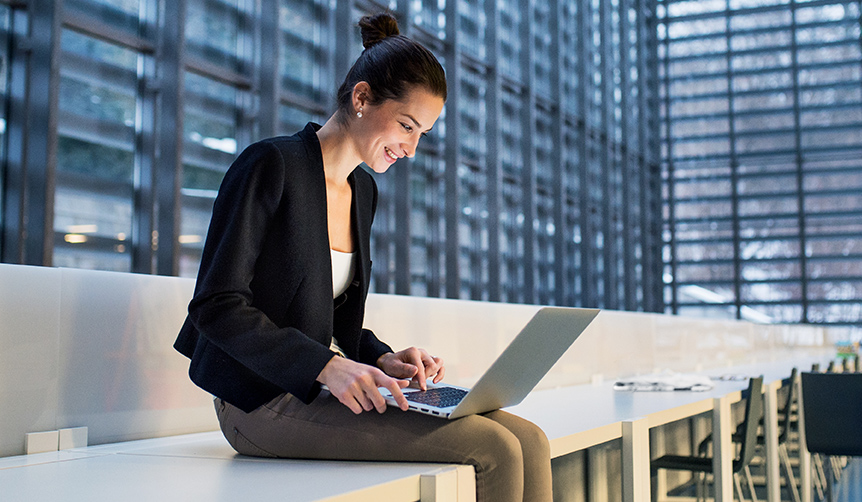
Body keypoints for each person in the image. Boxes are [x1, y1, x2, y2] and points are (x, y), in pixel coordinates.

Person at [174, 12, 552, 502]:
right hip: (257, 400)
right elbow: (215, 306)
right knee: (493, 448)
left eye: (422, 134)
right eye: (406, 126)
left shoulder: (362, 192)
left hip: (321, 389)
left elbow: (326, 316)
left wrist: (381, 358)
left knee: (530, 440)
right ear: (361, 98)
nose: (411, 149)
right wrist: (326, 367)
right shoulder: (271, 165)